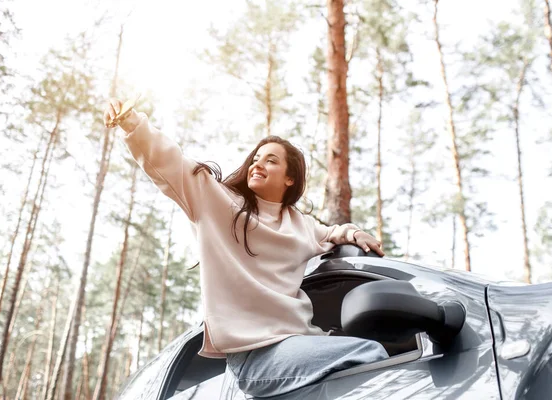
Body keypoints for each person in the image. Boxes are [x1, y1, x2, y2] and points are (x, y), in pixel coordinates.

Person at [103, 99, 389, 398]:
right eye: (256, 157)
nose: (257, 163)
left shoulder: (301, 225)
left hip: (300, 342)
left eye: (270, 160)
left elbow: (334, 232)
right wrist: (132, 123)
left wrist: (354, 232)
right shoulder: (219, 203)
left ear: (289, 178)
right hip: (257, 357)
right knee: (370, 354)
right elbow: (171, 163)